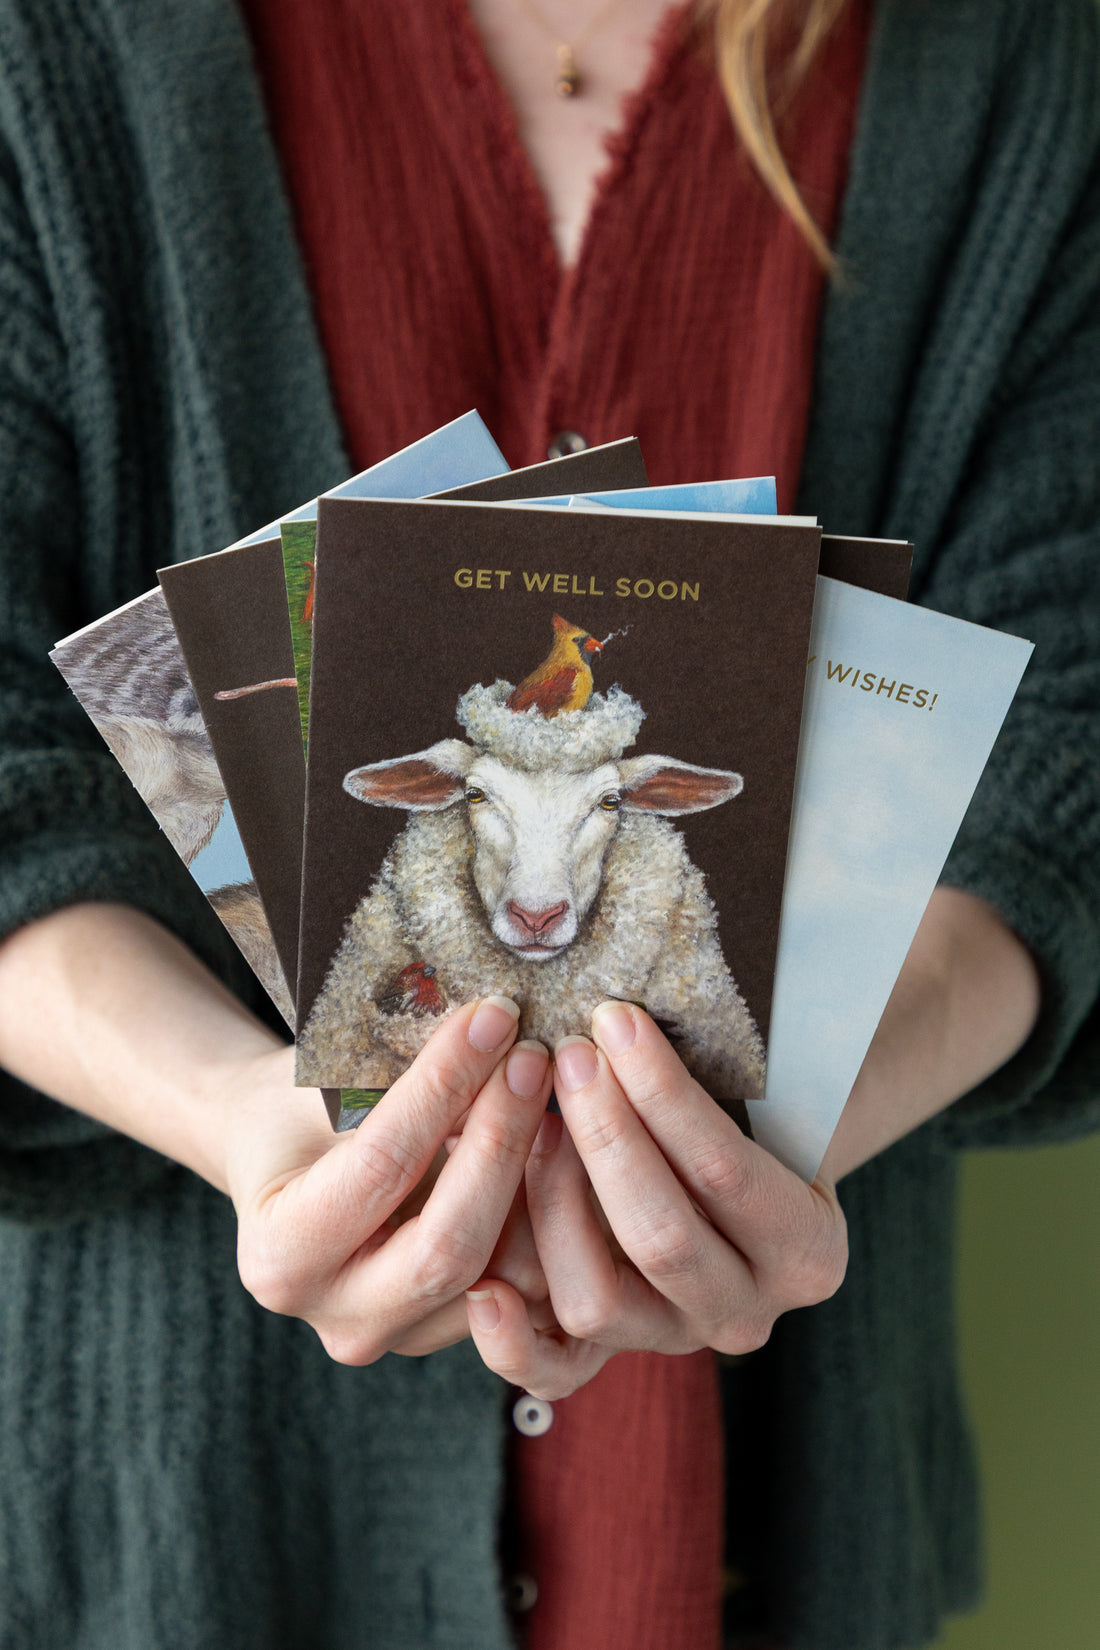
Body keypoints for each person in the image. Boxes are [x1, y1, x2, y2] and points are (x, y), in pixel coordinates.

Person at [0, 1, 1096, 1647]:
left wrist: (786, 1123)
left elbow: (1064, 725)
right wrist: (241, 1117)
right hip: (172, 1542)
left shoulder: (1015, 59)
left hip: (763, 1537)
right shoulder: (56, 49)